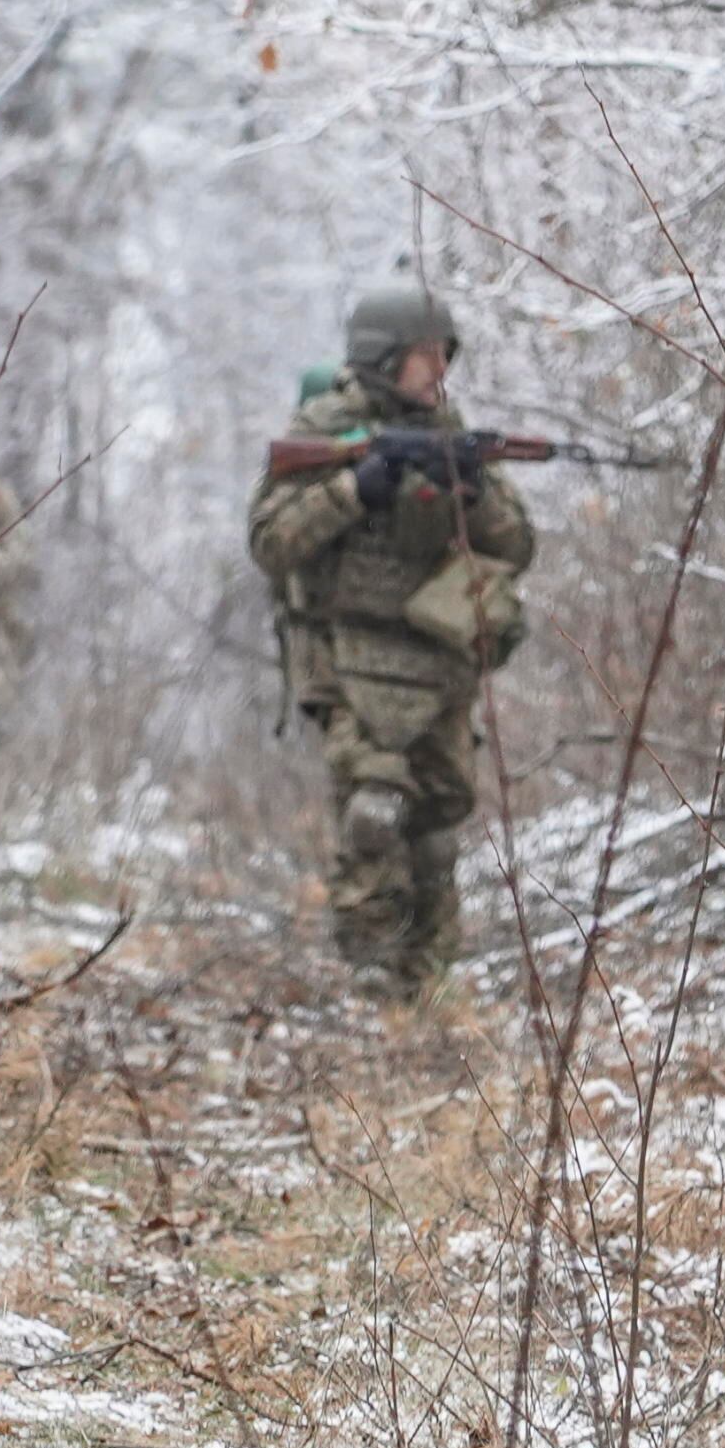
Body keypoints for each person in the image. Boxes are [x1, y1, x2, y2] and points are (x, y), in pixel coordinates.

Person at [245, 284, 532, 998]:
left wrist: (474, 491)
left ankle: (426, 981)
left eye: (444, 356)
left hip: (436, 664)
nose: (438, 371)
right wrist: (357, 488)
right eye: (424, 357)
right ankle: (370, 982)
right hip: (348, 660)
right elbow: (271, 541)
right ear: (383, 356)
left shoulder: (450, 427)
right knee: (375, 814)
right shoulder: (327, 427)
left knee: (436, 823)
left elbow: (518, 543)